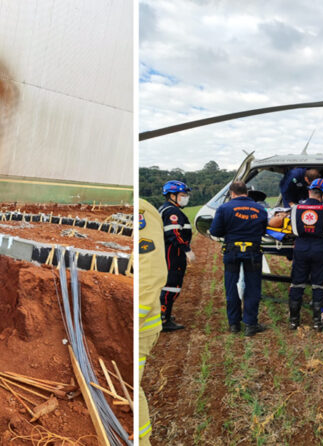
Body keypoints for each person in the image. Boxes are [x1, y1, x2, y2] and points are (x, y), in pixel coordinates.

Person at [209, 181, 268, 336]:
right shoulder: (260, 209)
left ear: (231, 193)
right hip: (253, 252)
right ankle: (250, 324)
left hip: (232, 252)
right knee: (253, 288)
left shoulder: (224, 208)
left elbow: (215, 231)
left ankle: (234, 324)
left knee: (232, 287)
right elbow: (263, 231)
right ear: (246, 193)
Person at [288, 178, 323, 332]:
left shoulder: (296, 208)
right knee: (319, 284)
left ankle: (293, 321)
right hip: (319, 248)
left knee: (297, 283)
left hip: (301, 247)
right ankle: (318, 321)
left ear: (308, 191)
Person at [137, 199, 167, 444]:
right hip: (135, 324)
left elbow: (151, 273)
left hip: (138, 327)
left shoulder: (141, 211)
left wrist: (134, 318)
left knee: (130, 389)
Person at [157, 180, 194, 331]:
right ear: (172, 195)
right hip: (173, 254)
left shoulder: (166, 209)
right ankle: (164, 320)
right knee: (171, 286)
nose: (185, 197)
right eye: (182, 195)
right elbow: (174, 233)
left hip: (169, 253)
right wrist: (186, 249)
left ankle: (164, 314)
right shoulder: (172, 212)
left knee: (169, 286)